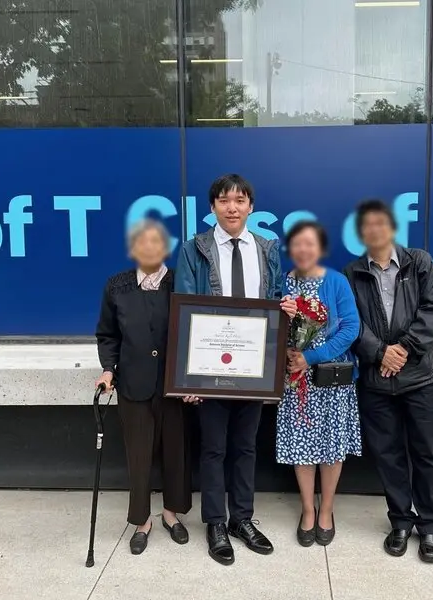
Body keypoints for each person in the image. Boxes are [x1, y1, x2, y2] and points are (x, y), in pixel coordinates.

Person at [174, 173, 294, 566]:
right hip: (210, 367)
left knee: (245, 447)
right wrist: (186, 376)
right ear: (212, 207)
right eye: (224, 200)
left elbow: (273, 301)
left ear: (250, 207)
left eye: (240, 200)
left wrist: (285, 310)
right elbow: (185, 306)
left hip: (254, 368)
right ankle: (214, 523)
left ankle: (242, 519)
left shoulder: (266, 248)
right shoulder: (196, 249)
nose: (232, 207)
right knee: (213, 448)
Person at [343, 199, 433, 564]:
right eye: (367, 225)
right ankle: (401, 521)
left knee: (426, 453)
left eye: (380, 223)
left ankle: (430, 527)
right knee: (388, 455)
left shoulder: (419, 262)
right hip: (376, 381)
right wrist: (379, 353)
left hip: (419, 378)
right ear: (361, 233)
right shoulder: (352, 273)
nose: (374, 230)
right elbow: (351, 324)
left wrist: (402, 350)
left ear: (392, 227)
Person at [95, 219, 191, 556]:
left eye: (156, 241)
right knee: (138, 455)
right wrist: (108, 370)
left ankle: (171, 512)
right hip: (133, 384)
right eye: (142, 242)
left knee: (175, 452)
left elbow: (195, 331)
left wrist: (193, 379)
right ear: (132, 249)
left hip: (173, 385)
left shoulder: (182, 281)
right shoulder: (117, 286)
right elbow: (108, 334)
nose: (149, 247)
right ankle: (141, 520)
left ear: (166, 247)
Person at [276, 221, 361, 548]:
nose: (303, 250)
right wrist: (286, 342)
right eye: (297, 244)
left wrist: (310, 357)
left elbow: (351, 328)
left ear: (320, 249)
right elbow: (272, 328)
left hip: (331, 384)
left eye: (310, 244)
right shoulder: (284, 283)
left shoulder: (336, 282)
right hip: (295, 385)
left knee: (330, 447)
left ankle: (326, 510)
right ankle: (307, 510)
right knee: (302, 447)